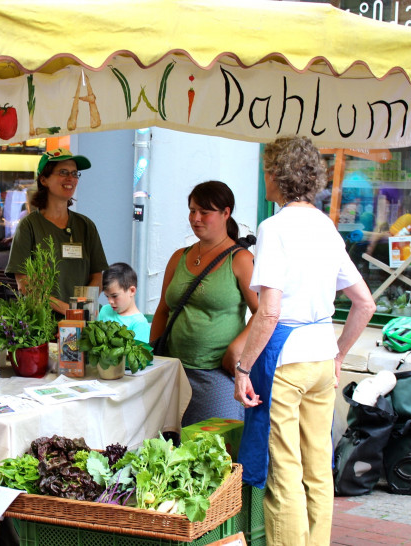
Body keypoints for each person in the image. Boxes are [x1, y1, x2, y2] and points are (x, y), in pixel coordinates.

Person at [234, 136, 376, 546]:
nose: (265, 178)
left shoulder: (274, 227)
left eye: (267, 170)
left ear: (278, 175)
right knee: (317, 469)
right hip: (321, 356)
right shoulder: (326, 227)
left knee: (285, 474)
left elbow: (270, 310)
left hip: (286, 361)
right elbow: (364, 303)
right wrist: (340, 356)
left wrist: (244, 367)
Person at [151, 180, 258, 426]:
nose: (195, 218)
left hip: (216, 375)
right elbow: (163, 310)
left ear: (226, 213)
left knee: (212, 453)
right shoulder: (179, 256)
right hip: (173, 371)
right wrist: (153, 356)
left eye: (204, 212)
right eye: (192, 210)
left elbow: (263, 314)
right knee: (168, 448)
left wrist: (237, 349)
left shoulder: (241, 260)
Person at [6, 148, 108, 316]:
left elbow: (97, 276)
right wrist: (66, 310)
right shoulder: (29, 226)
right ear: (44, 179)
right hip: (40, 326)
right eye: (63, 172)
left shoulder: (86, 226)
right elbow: (24, 283)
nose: (71, 179)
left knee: (74, 344)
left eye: (75, 174)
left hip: (79, 323)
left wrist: (80, 311)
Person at [98, 262, 150, 342]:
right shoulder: (105, 310)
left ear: (132, 291)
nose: (110, 301)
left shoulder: (139, 324)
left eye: (114, 296)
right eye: (107, 296)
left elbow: (139, 353)